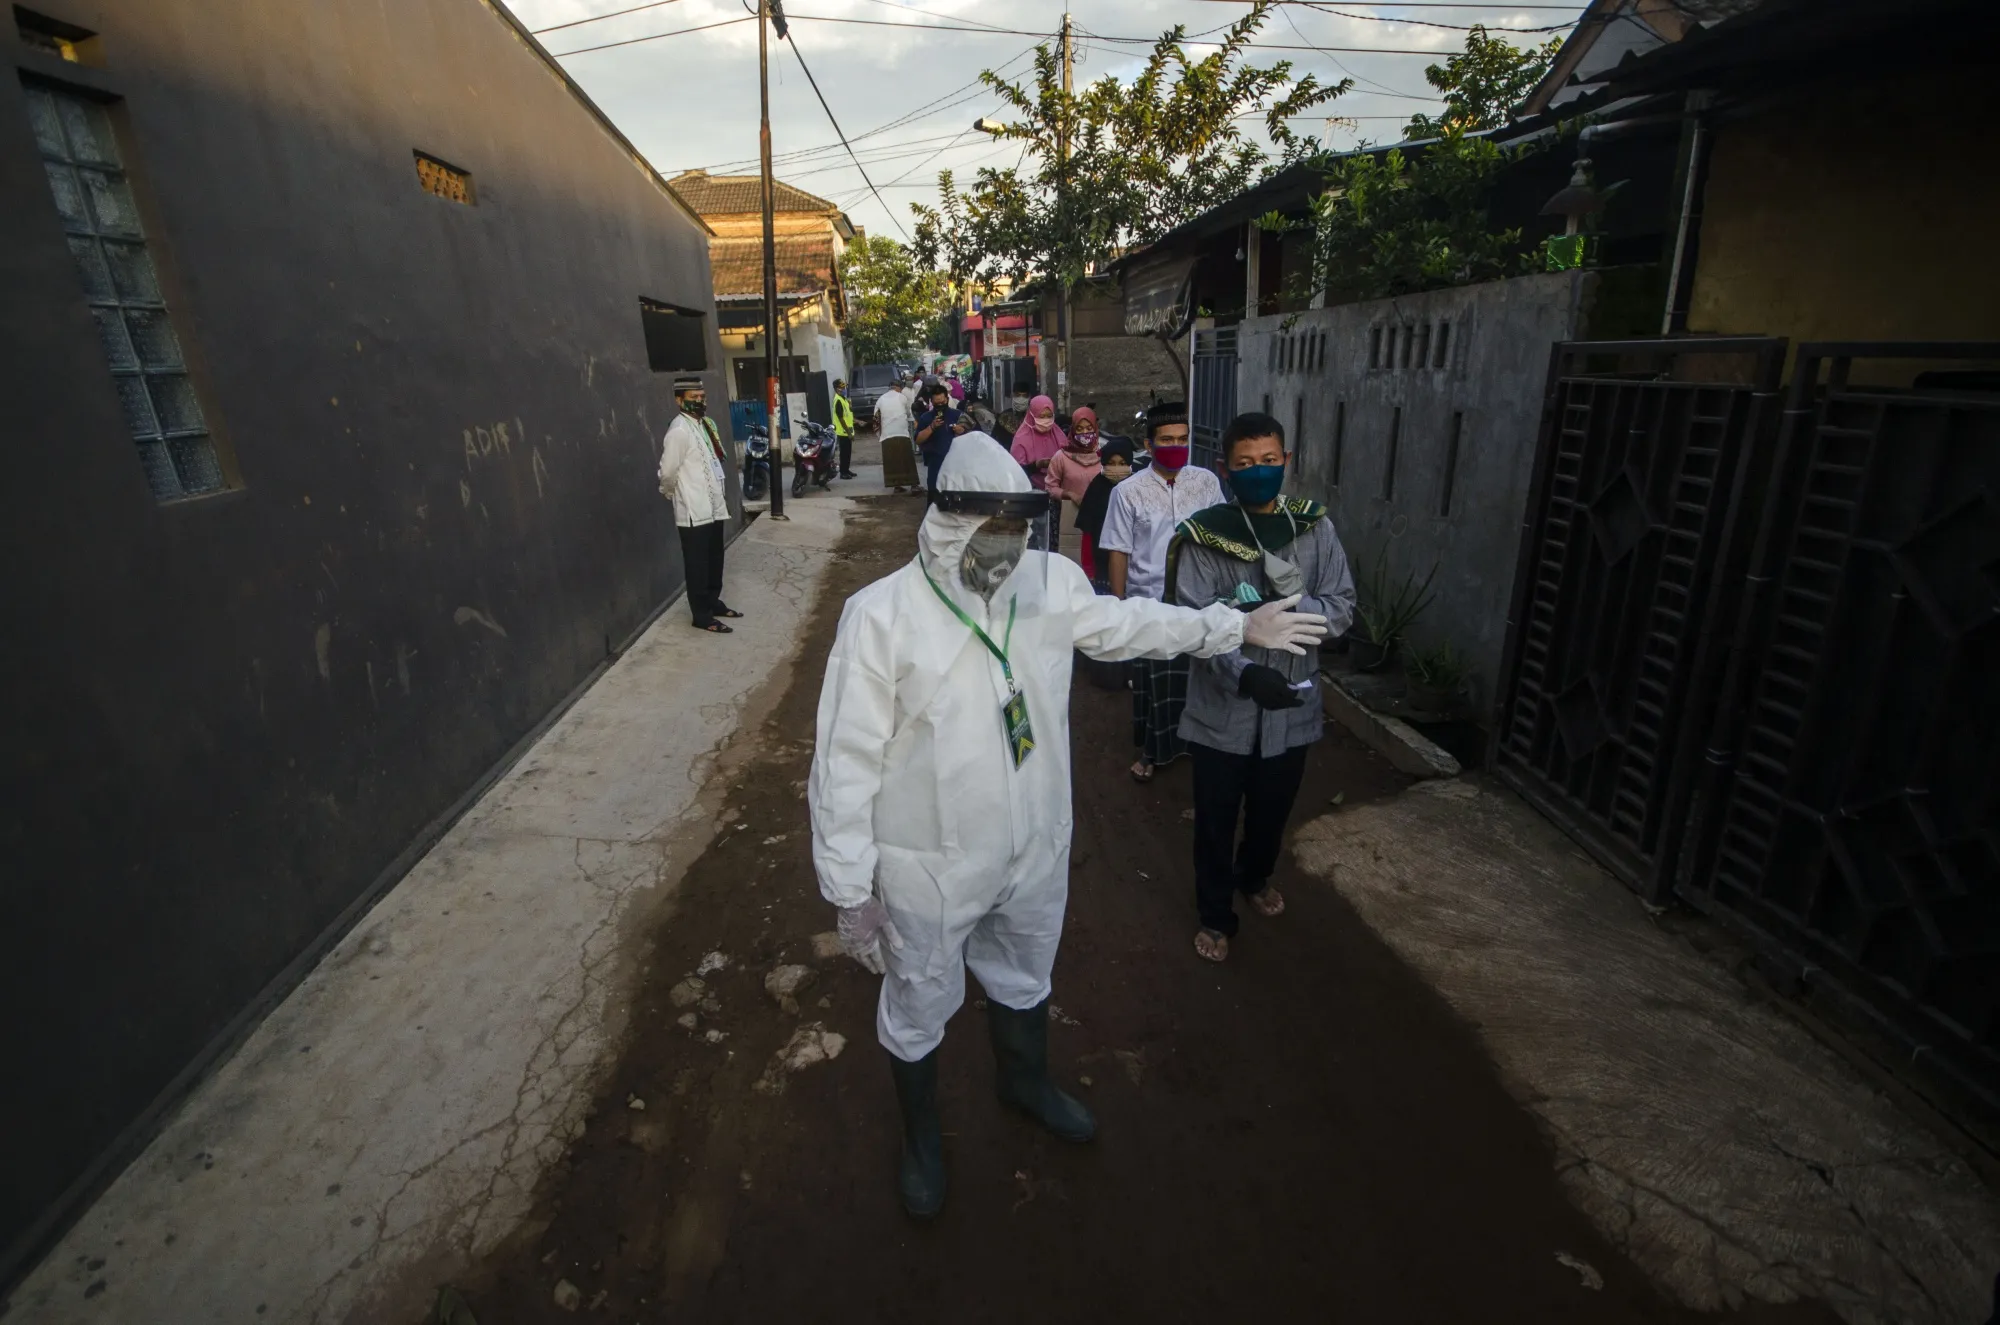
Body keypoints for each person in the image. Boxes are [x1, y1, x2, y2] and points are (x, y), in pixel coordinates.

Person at [808, 432, 1329, 1219]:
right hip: (928, 864)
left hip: (1034, 846)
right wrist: (851, 887)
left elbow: (1128, 624)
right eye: (993, 534)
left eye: (1018, 531)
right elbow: (843, 763)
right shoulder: (880, 617)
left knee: (1025, 969)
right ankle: (922, 1136)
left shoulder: (1047, 583)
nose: (1008, 550)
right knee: (919, 995)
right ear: (949, 525)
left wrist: (1229, 627)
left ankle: (1023, 1081)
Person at [1167, 412, 1355, 962]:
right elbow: (1191, 618)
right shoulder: (1205, 535)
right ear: (1226, 469)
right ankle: (1215, 914)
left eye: (1269, 461)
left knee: (1272, 811)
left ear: (1286, 462)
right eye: (1246, 464)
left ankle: (1255, 877)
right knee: (1215, 817)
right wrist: (1244, 669)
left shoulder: (1315, 529)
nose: (1259, 472)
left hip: (1292, 706)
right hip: (1222, 708)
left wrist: (1294, 607)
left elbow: (1342, 608)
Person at [1097, 403, 1226, 782]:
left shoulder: (1206, 483)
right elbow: (1118, 550)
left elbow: (1219, 537)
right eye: (1167, 440)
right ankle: (1154, 751)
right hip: (1148, 601)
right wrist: (1120, 608)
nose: (1176, 446)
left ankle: (1196, 743)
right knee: (1157, 683)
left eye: (1183, 440)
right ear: (1149, 444)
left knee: (1198, 678)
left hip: (1200, 598)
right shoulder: (1127, 492)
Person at [657, 379, 741, 634]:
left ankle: (713, 602)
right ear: (679, 400)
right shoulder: (679, 430)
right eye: (695, 396)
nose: (701, 401)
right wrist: (670, 493)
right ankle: (702, 616)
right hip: (693, 510)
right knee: (697, 564)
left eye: (703, 396)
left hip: (713, 507)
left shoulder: (704, 426)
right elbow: (667, 471)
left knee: (715, 559)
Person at [1044, 405, 1102, 574]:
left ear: (1095, 428)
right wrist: (1068, 494)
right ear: (1073, 430)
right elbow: (1050, 487)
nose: (1085, 433)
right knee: (1070, 567)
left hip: (1099, 519)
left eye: (1089, 428)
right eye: (1080, 428)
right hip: (1070, 519)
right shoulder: (1061, 457)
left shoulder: (1104, 455)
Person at [1071, 435, 1134, 592]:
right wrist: (1089, 570)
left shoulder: (1138, 489)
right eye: (1111, 464)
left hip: (1134, 571)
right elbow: (1088, 532)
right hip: (1101, 570)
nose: (1117, 468)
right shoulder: (1096, 488)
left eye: (1122, 463)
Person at [914, 378, 965, 502]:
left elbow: (973, 434)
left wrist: (961, 431)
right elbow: (918, 440)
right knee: (934, 492)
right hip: (935, 462)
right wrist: (931, 427)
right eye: (937, 403)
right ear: (932, 401)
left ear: (947, 399)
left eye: (942, 402)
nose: (940, 405)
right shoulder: (926, 417)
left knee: (955, 493)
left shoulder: (957, 415)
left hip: (955, 462)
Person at [875, 373, 920, 494]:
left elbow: (875, 420)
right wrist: (915, 422)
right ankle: (914, 485)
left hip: (887, 436)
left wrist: (880, 436)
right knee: (907, 461)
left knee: (892, 461)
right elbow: (908, 414)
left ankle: (896, 486)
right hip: (902, 434)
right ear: (899, 387)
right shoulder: (902, 397)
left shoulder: (880, 399)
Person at [832, 378, 858, 479]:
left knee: (848, 453)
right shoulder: (838, 400)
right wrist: (849, 433)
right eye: (842, 388)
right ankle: (843, 473)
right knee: (844, 454)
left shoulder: (844, 399)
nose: (844, 389)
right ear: (837, 389)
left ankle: (846, 470)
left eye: (845, 387)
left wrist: (858, 421)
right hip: (843, 432)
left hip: (847, 431)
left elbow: (848, 416)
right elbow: (841, 419)